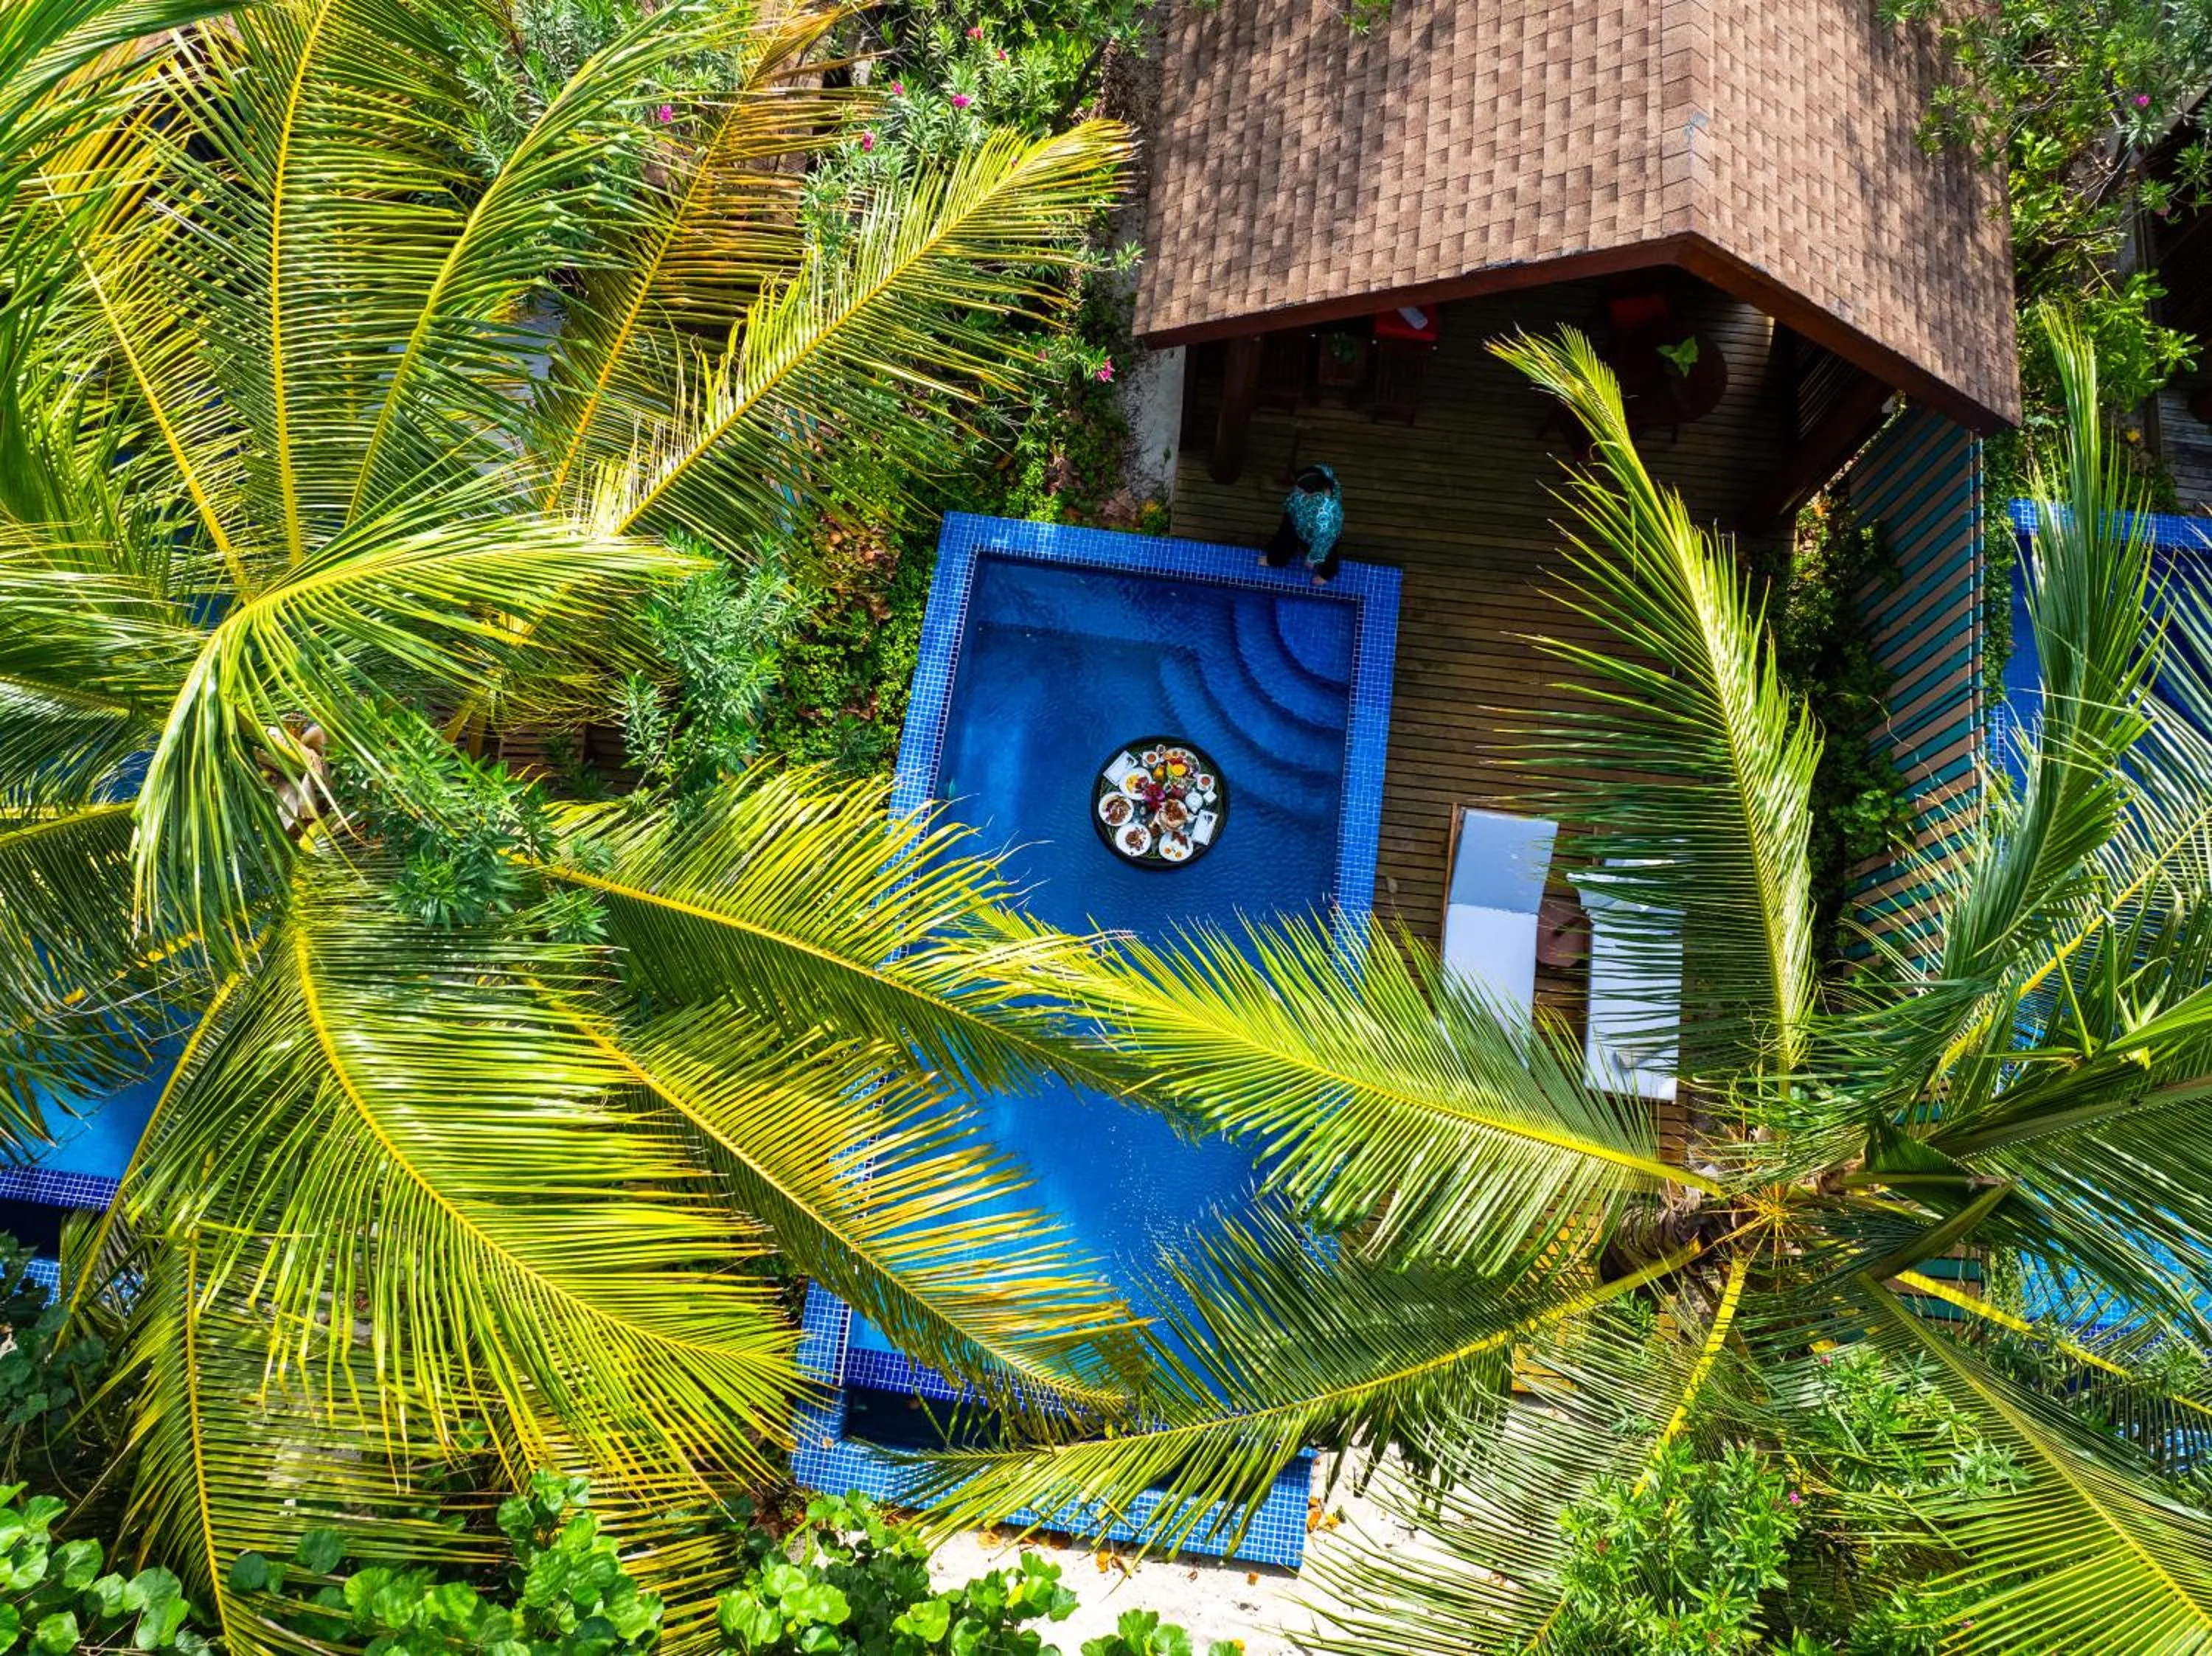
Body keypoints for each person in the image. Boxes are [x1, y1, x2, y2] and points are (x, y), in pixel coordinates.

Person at [1259, 463, 1343, 583]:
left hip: (1317, 532)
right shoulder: (1319, 475)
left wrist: (1313, 558)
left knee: (1329, 552)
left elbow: (1324, 540)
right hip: (1297, 515)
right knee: (1285, 536)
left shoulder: (1326, 516)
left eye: (1301, 490)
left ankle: (1327, 573)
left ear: (1311, 493)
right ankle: (1278, 557)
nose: (1296, 490)